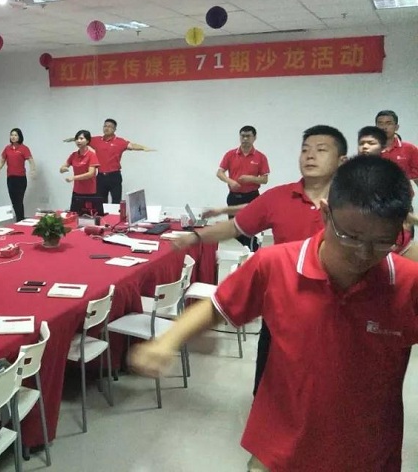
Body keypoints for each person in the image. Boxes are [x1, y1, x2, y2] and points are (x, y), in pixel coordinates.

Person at [130, 156, 418, 471]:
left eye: (382, 242)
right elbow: (217, 306)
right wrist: (168, 341)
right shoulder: (276, 265)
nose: (363, 253)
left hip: (367, 455)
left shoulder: (408, 284)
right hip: (279, 450)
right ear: (325, 213)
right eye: (350, 237)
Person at [175, 125, 348, 396]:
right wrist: (196, 237)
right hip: (281, 307)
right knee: (269, 385)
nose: (310, 156)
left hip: (336, 312)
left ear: (342, 161)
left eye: (321, 150)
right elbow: (235, 227)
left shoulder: (354, 203)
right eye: (305, 150)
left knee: (328, 388)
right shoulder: (279, 197)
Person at [65, 118, 154, 203]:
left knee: (116, 202)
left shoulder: (120, 142)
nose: (107, 128)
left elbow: (132, 145)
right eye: (105, 126)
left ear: (114, 129)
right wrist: (73, 139)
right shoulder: (96, 140)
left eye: (110, 126)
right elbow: (84, 139)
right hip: (100, 177)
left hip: (114, 176)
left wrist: (144, 148)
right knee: (100, 202)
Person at [216, 125, 270, 250]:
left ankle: (252, 252)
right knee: (235, 230)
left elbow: (265, 179)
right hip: (234, 197)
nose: (245, 139)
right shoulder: (230, 154)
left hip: (251, 197)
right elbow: (219, 173)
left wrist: (250, 178)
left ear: (254, 138)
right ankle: (241, 253)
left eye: (248, 136)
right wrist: (230, 181)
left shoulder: (260, 157)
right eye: (243, 136)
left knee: (249, 229)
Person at [0, 128, 36, 221]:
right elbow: (2, 161)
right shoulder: (7, 148)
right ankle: (20, 219)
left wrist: (33, 171)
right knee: (14, 201)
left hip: (21, 179)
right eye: (12, 135)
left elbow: (31, 161)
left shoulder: (24, 148)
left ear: (19, 137)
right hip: (10, 178)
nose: (13, 137)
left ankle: (20, 219)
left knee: (19, 200)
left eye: (15, 135)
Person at [375, 109, 418, 190]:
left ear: (396, 127)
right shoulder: (369, 151)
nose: (384, 127)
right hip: (376, 196)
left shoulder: (410, 149)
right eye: (380, 124)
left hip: (402, 196)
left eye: (389, 123)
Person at [60, 129, 100, 211]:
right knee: (74, 214)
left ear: (87, 141)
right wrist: (63, 169)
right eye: (77, 139)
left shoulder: (91, 155)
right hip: (77, 191)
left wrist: (74, 178)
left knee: (88, 215)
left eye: (81, 139)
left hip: (89, 192)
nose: (78, 141)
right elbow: (62, 168)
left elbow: (91, 174)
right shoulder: (74, 155)